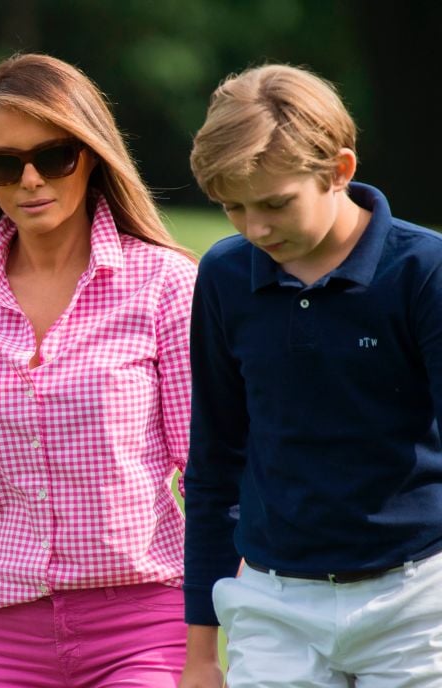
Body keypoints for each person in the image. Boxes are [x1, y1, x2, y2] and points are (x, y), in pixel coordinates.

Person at [0, 53, 197, 687]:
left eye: (54, 156)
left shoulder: (166, 286)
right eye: (5, 165)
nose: (31, 179)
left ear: (91, 154)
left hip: (142, 629)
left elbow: (207, 474)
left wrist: (205, 653)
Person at [182, 63, 442, 688]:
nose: (256, 228)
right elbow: (215, 464)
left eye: (275, 203)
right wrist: (198, 656)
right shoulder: (223, 276)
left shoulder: (424, 271)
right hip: (272, 605)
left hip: (415, 603)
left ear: (339, 170)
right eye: (232, 208)